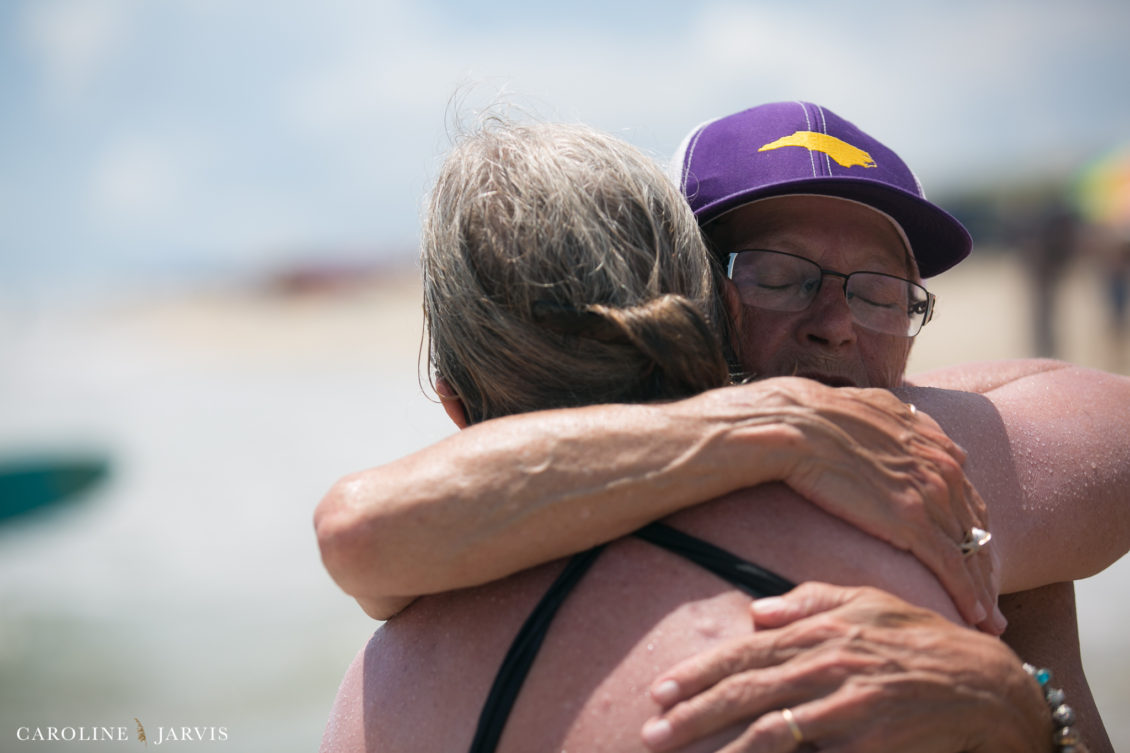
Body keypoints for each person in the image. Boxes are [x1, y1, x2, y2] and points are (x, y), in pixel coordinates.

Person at [317, 106, 1129, 751]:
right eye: (779, 275)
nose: (837, 325)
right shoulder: (889, 486)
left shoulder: (376, 693)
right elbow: (361, 526)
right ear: (692, 296)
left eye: (881, 290)